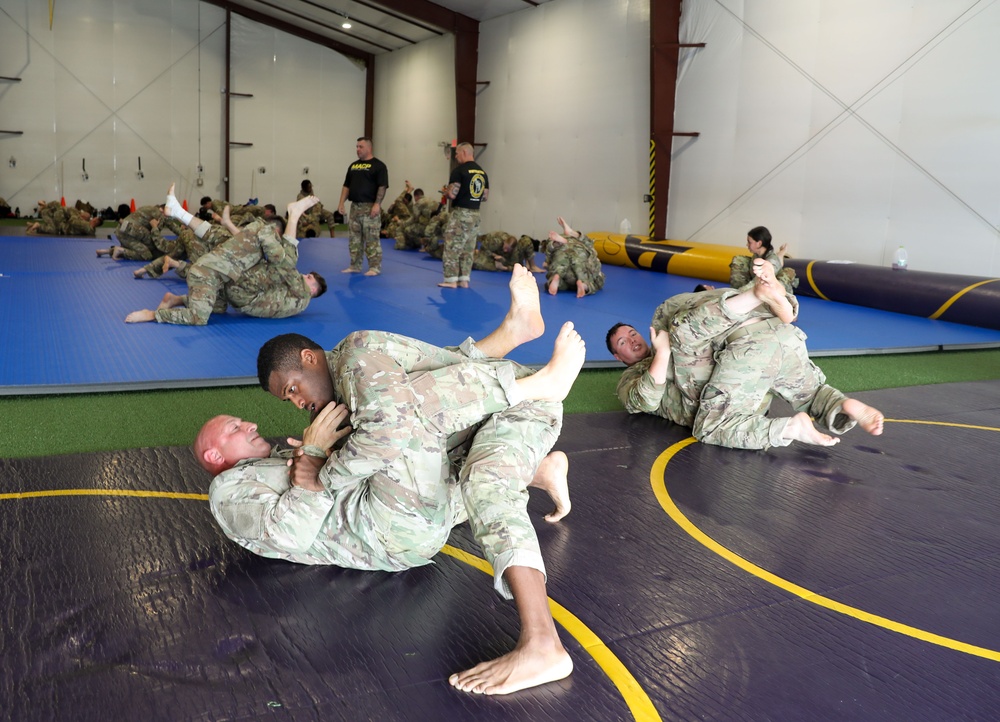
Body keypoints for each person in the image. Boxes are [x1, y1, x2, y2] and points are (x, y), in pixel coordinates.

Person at [200, 265, 583, 695]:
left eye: (291, 390)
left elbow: (425, 386)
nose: (253, 423)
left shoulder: (322, 406)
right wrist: (313, 460)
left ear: (309, 359)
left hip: (414, 504)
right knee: (394, 406)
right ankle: (531, 381)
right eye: (234, 429)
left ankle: (542, 636)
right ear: (214, 456)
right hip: (387, 530)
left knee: (455, 454)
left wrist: (317, 454)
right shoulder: (228, 490)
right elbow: (291, 533)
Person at [607, 259, 883, 449]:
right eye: (622, 342)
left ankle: (791, 428)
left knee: (711, 427)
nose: (631, 341)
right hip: (769, 349)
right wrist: (663, 354)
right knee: (809, 394)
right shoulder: (630, 377)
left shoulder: (663, 332)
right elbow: (642, 400)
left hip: (745, 358)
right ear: (617, 357)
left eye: (632, 334)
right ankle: (759, 298)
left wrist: (665, 344)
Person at [124, 186, 326, 325]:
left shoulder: (302, 297)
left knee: (219, 305)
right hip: (232, 282)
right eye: (307, 275)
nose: (303, 275)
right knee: (223, 237)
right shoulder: (282, 274)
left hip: (239, 290)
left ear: (313, 290)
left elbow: (286, 266)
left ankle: (294, 214)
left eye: (309, 278)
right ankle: (178, 212)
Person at [439, 142, 489, 289]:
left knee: (452, 246)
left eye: (457, 153)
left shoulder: (459, 171)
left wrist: (446, 192)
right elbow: (485, 196)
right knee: (468, 248)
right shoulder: (482, 172)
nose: (455, 156)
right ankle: (464, 280)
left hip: (461, 213)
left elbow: (452, 194)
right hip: (475, 213)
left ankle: (451, 280)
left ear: (465, 152)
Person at [337, 137, 388, 275]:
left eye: (361, 147)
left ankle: (374, 267)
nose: (358, 149)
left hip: (370, 207)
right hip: (355, 207)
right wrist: (341, 202)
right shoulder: (353, 166)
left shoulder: (379, 166)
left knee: (371, 239)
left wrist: (377, 204)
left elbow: (382, 187)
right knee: (354, 239)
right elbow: (346, 186)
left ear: (369, 148)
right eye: (357, 146)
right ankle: (354, 265)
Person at [543, 216, 605, 297]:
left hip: (561, 253)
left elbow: (549, 254)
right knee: (597, 281)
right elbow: (590, 244)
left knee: (558, 271)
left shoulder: (556, 241)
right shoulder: (581, 243)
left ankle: (556, 278)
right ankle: (584, 285)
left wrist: (548, 263)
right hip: (579, 251)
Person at [96, 204, 183, 261]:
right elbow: (156, 236)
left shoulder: (150, 209)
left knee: (141, 247)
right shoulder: (160, 215)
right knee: (147, 255)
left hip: (122, 231)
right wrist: (187, 235)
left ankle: (108, 251)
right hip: (131, 233)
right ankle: (121, 251)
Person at [730, 225, 797, 293]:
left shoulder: (771, 262)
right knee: (739, 260)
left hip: (769, 291)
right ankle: (737, 290)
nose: (747, 245)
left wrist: (738, 293)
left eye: (749, 242)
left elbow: (757, 281)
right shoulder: (758, 255)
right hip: (755, 285)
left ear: (759, 244)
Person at [473, 231, 542, 273]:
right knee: (475, 263)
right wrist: (493, 255)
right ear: (505, 242)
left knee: (526, 241)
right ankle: (476, 253)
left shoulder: (515, 253)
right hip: (493, 255)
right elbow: (484, 248)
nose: (505, 250)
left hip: (507, 260)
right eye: (505, 247)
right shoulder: (497, 241)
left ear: (512, 248)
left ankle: (532, 266)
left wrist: (504, 267)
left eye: (508, 249)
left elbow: (515, 267)